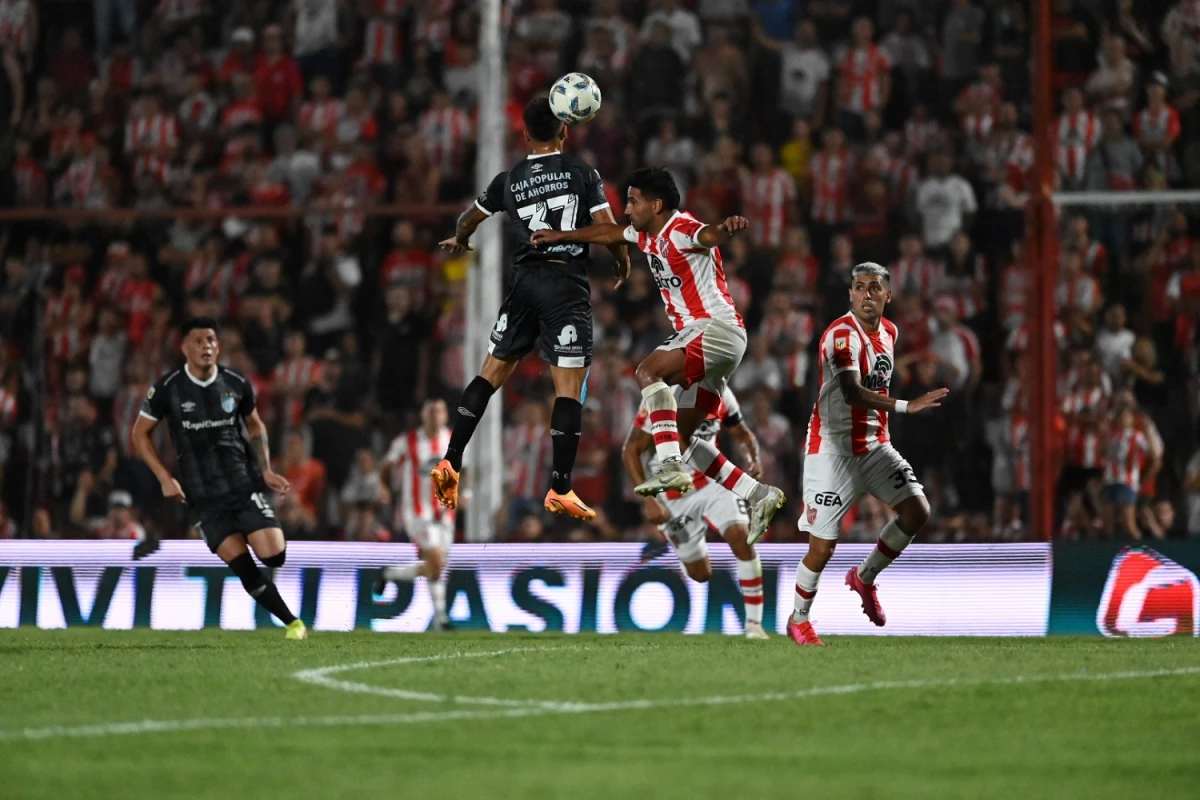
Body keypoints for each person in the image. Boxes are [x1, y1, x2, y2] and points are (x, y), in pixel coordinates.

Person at [532, 167, 785, 541]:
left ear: (657, 204)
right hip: (720, 342)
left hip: (713, 328)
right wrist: (561, 236)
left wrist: (725, 229)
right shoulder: (647, 235)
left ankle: (667, 466)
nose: (628, 209)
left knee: (648, 371)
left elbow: (707, 234)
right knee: (683, 439)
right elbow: (609, 233)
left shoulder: (681, 229)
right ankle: (758, 494)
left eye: (633, 201)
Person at [431, 98, 631, 522]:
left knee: (490, 373)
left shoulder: (510, 179)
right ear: (564, 133)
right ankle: (560, 486)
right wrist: (621, 259)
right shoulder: (581, 172)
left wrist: (461, 239)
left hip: (523, 284)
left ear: (525, 137)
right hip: (565, 284)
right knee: (568, 387)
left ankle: (450, 460)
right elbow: (611, 229)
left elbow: (469, 218)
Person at [786, 263, 948, 645]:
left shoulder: (890, 332)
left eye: (875, 288)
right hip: (831, 451)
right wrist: (909, 406)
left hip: (874, 445)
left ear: (887, 296)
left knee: (917, 510)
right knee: (822, 547)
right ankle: (798, 618)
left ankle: (864, 576)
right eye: (859, 288)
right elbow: (851, 393)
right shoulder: (842, 335)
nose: (867, 295)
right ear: (850, 295)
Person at [131, 317, 307, 640]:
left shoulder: (236, 383)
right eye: (197, 341)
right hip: (202, 498)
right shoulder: (166, 389)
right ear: (184, 348)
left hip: (242, 484)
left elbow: (255, 425)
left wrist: (266, 469)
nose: (206, 346)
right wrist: (164, 477)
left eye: (211, 339)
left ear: (219, 346)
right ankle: (293, 624)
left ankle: (253, 533)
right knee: (244, 568)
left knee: (275, 554)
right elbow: (139, 434)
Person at [623, 385, 769, 639]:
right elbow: (631, 450)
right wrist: (647, 499)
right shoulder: (660, 398)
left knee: (741, 537)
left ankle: (754, 625)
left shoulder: (723, 394)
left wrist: (753, 457)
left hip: (712, 482)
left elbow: (743, 435)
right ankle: (690, 543)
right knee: (700, 574)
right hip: (671, 496)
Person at [375, 398, 455, 631]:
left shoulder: (453, 440)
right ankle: (442, 620)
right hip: (417, 511)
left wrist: (466, 491)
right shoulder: (407, 441)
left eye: (439, 411)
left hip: (445, 514)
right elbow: (386, 465)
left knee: (436, 567)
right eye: (430, 411)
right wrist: (384, 487)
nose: (434, 416)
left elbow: (464, 469)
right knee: (436, 558)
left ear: (445, 415)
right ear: (423, 415)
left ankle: (390, 574)